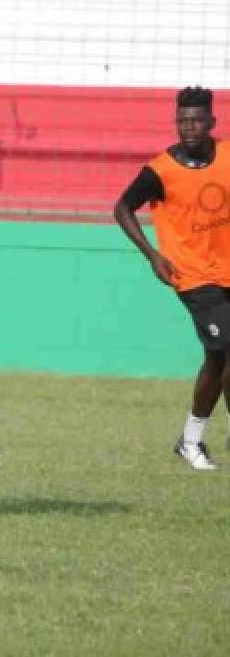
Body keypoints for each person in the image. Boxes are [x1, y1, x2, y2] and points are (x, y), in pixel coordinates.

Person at [114, 86, 229, 471]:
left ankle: (190, 440)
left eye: (197, 120)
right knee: (227, 346)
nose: (190, 128)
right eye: (183, 122)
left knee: (218, 357)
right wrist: (153, 256)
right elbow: (122, 207)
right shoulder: (160, 171)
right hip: (192, 275)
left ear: (212, 122)